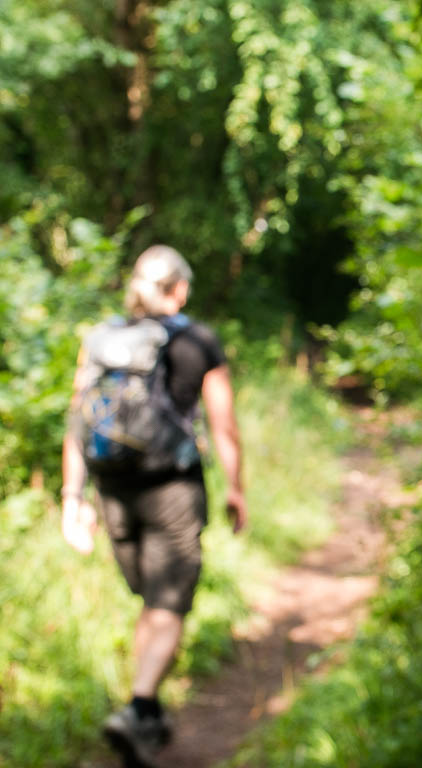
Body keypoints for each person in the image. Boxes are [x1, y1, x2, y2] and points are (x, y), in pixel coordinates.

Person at [61, 245, 247, 766]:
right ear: (180, 289)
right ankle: (141, 706)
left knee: (151, 599)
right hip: (173, 490)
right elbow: (224, 426)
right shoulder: (198, 341)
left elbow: (77, 421)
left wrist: (72, 497)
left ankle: (145, 708)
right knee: (168, 603)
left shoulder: (100, 339)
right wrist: (236, 488)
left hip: (113, 490)